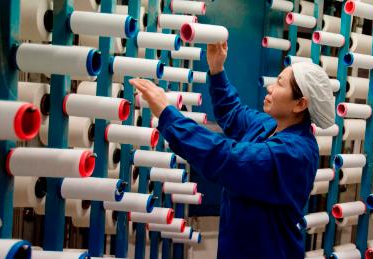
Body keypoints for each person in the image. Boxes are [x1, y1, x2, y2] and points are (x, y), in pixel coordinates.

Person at [129, 41, 335, 259]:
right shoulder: (268, 126)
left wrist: (167, 114)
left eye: (280, 85)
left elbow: (227, 158)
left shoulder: (294, 153)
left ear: (300, 104)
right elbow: (233, 112)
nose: (270, 87)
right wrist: (217, 69)